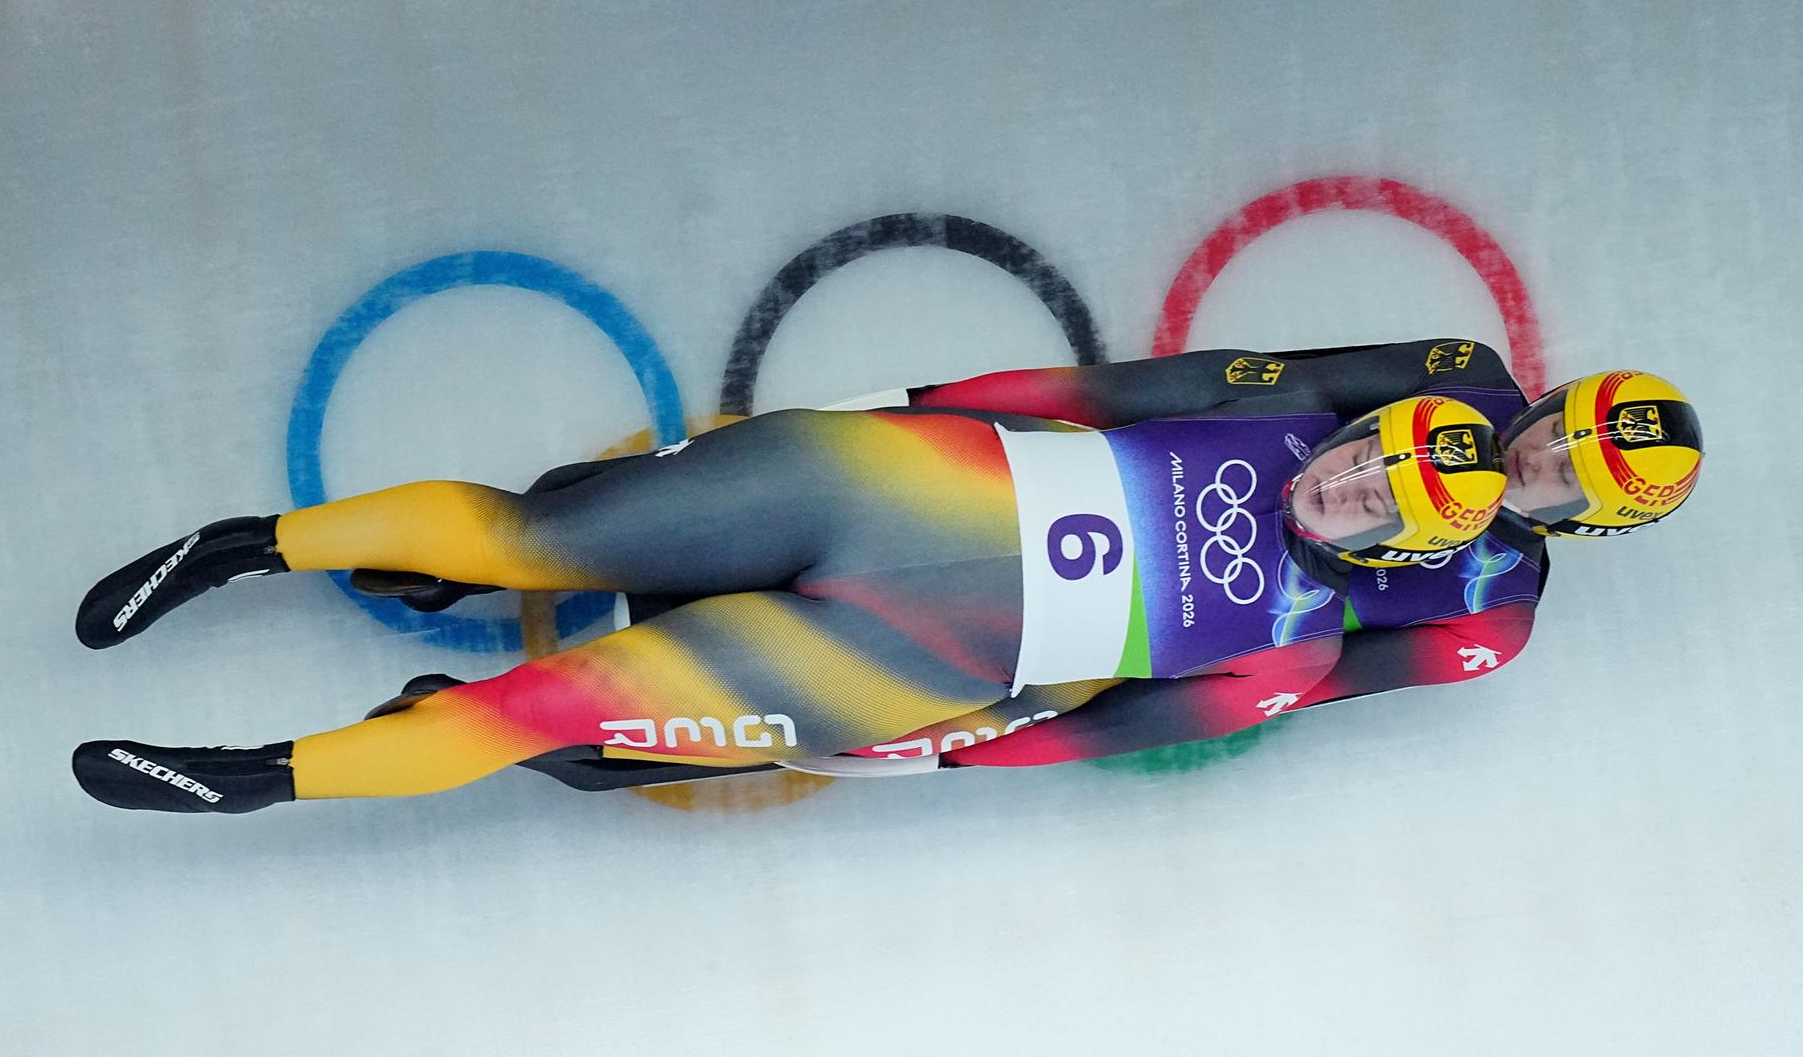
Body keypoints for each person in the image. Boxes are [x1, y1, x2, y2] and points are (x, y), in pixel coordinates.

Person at [69, 391, 1504, 814]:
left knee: (537, 710)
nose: (1347, 487)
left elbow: (1141, 725)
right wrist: (931, 410)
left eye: (1376, 506)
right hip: (871, 487)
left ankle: (257, 778)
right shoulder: (1265, 414)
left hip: (890, 654)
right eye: (1364, 459)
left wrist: (969, 747)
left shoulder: (1299, 638)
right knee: (535, 533)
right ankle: (243, 547)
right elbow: (1096, 393)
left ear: (1391, 558)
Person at [520, 341, 1702, 783]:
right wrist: (953, 408)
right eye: (1550, 429)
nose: (1532, 451)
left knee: (849, 700)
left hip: (1115, 626)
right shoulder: (1449, 372)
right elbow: (1229, 383)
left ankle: (593, 736)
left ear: (1585, 521)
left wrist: (1024, 742)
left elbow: (1274, 687)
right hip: (1076, 502)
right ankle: (531, 549)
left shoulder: (1489, 621)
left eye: (1556, 474)